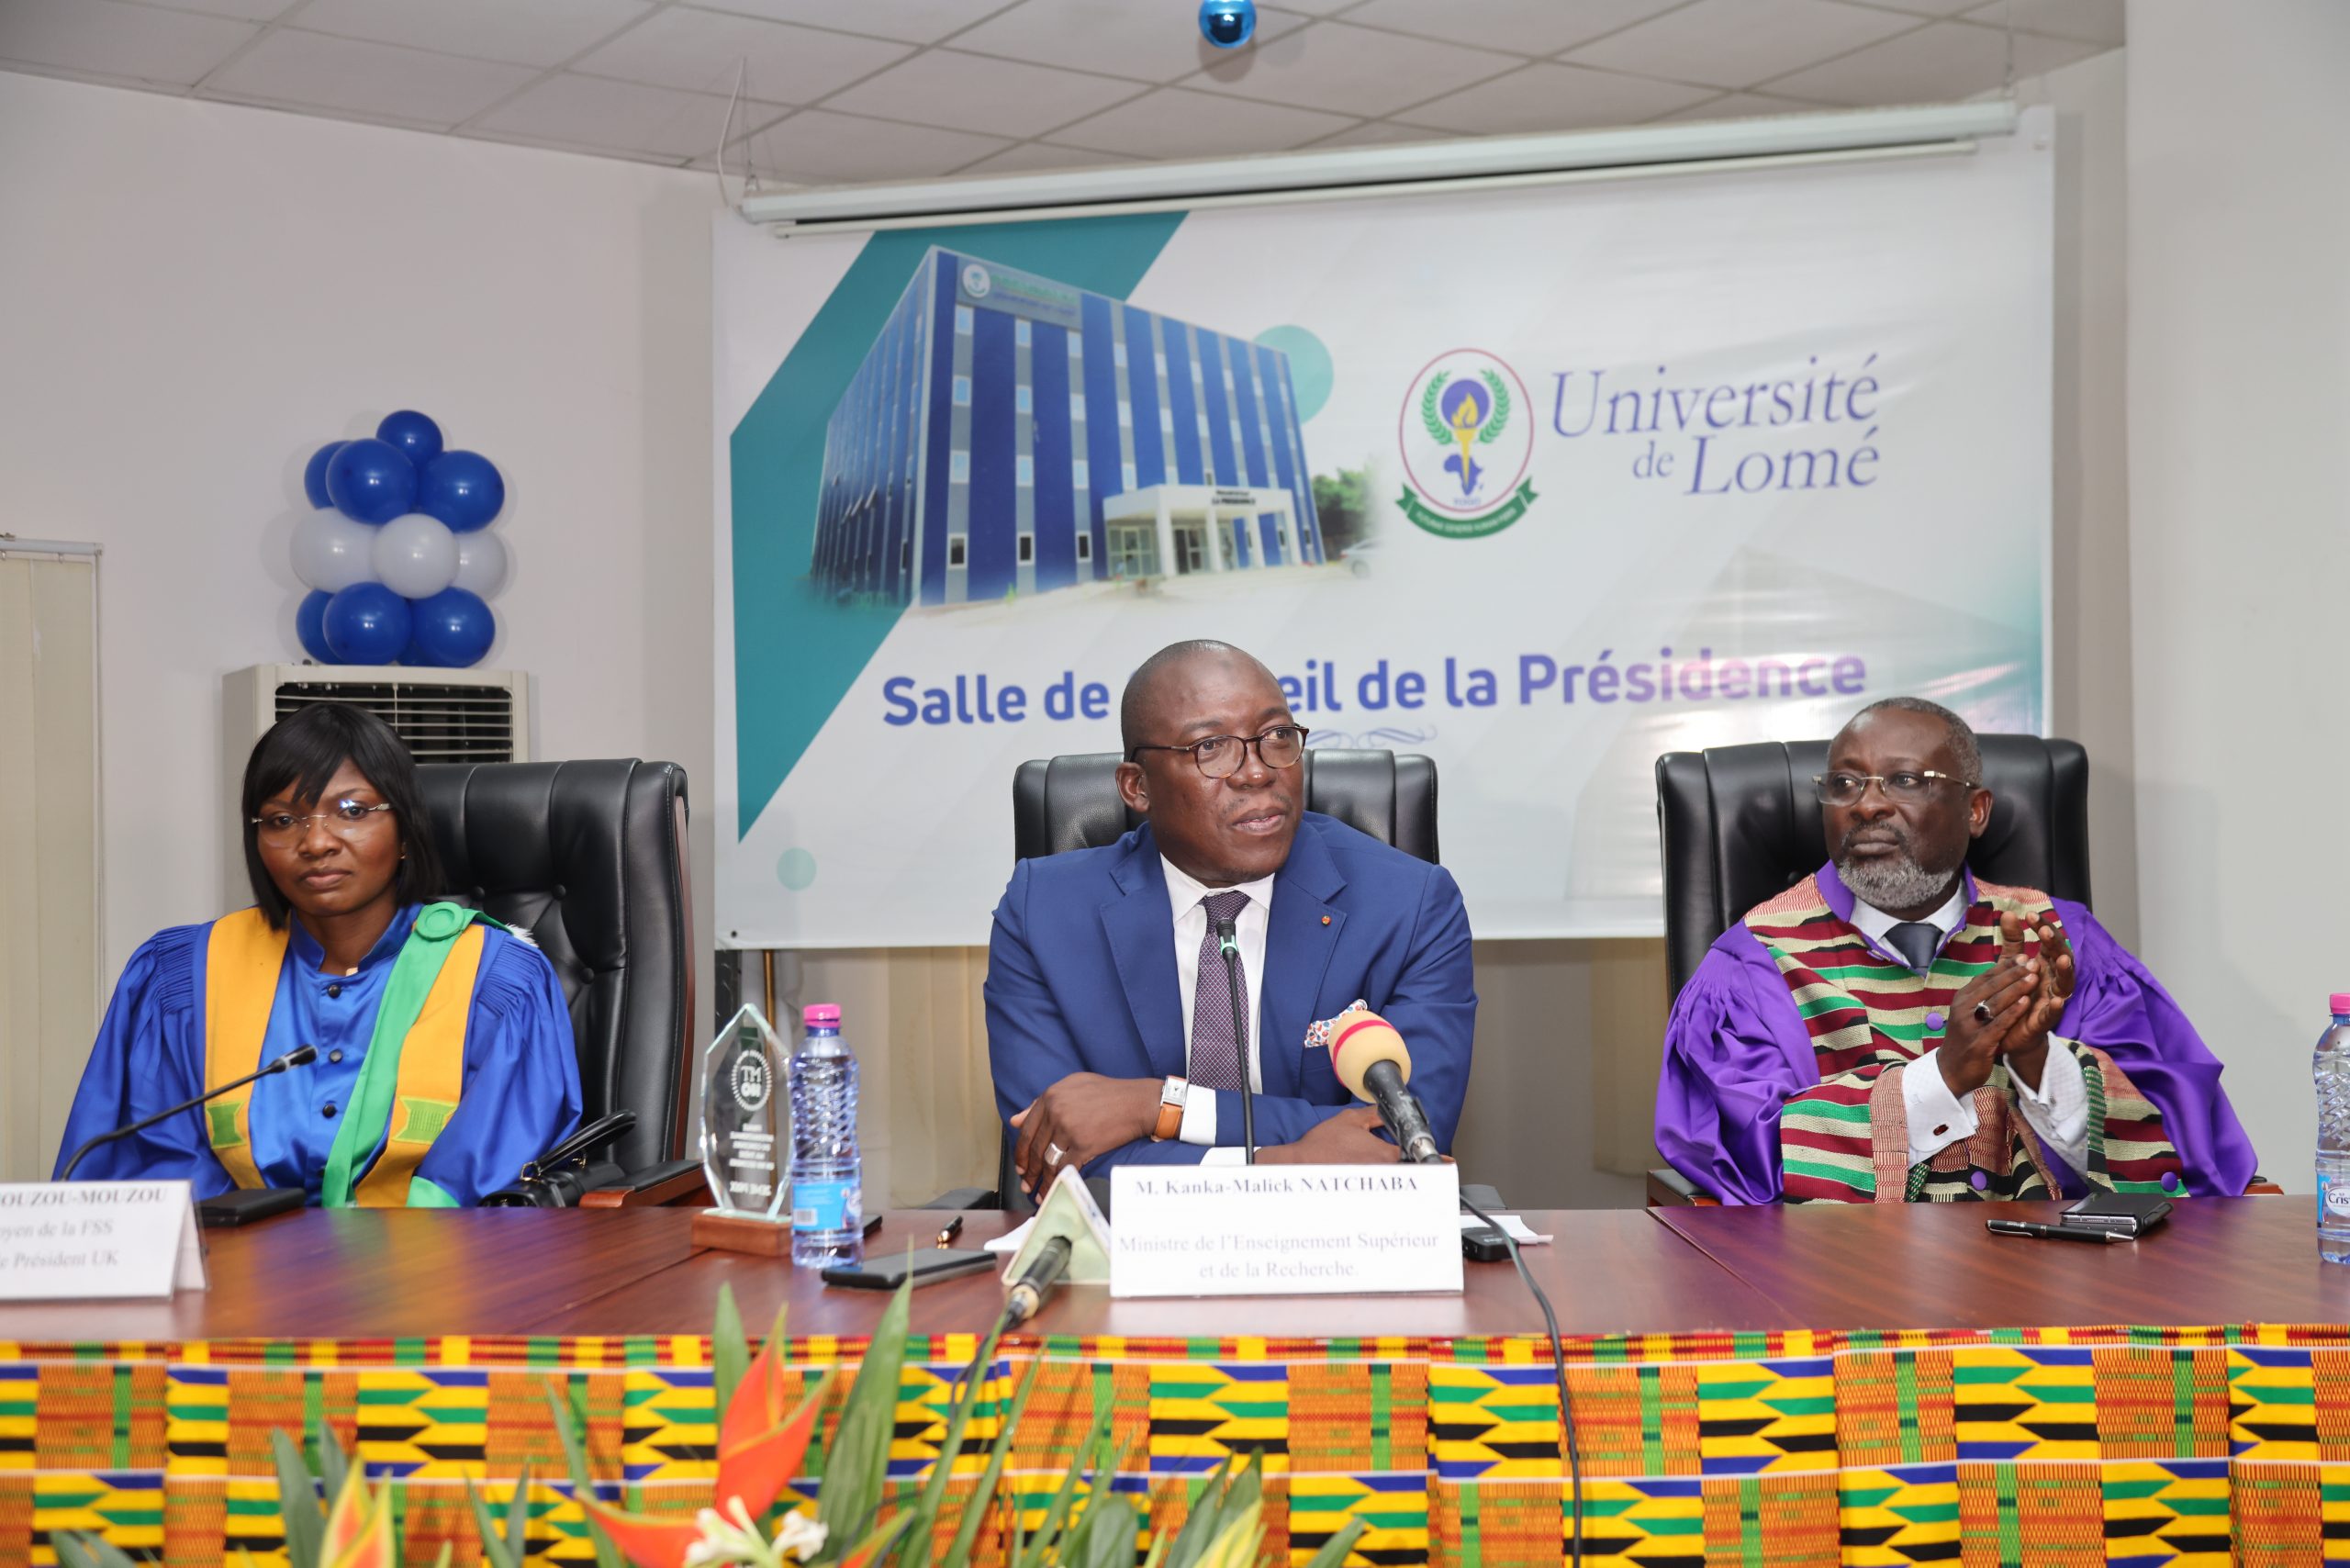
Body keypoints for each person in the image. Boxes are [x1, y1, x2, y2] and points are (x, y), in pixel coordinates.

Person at [1656, 696, 2257, 1204]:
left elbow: (2179, 1150)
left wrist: (2038, 1063)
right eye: (1844, 784)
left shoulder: (2060, 943)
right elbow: (1742, 1162)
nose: (1867, 805)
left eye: (1905, 781)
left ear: (1975, 810)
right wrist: (1941, 1077)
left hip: (2056, 1296)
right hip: (1849, 1302)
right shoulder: (1750, 967)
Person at [986, 639, 1476, 1193]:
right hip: (1122, 1264)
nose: (1256, 773)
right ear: (1137, 787)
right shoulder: (1043, 912)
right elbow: (1056, 1155)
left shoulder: (1409, 904)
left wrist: (1159, 1107)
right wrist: (1283, 1166)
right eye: (1212, 747)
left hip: (1341, 1257)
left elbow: (1411, 1137)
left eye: (1277, 738)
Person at [55, 702, 582, 1206]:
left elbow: (489, 1184)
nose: (316, 842)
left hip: (432, 1280)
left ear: (404, 830)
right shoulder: (185, 977)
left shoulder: (494, 980)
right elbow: (149, 1178)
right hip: (234, 1282)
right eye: (282, 820)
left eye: (351, 812)